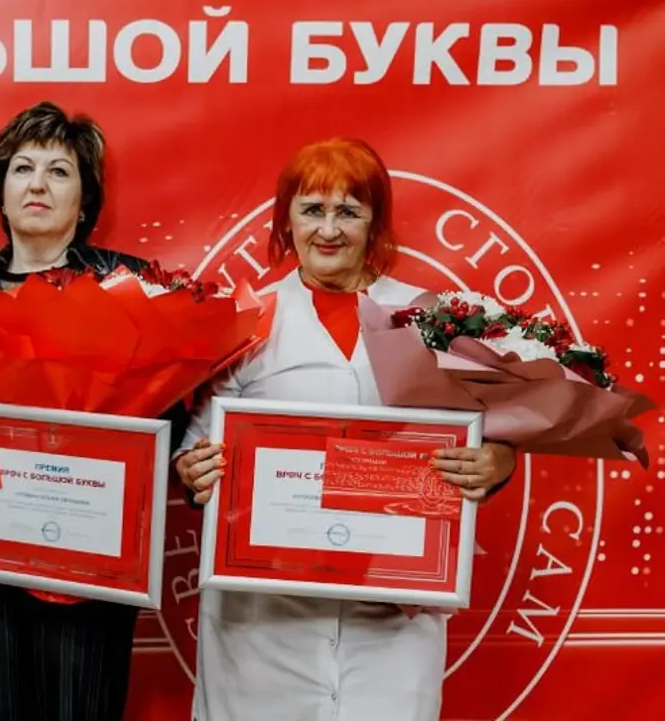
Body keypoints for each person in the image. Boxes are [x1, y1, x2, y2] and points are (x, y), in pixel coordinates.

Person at [175, 137, 516, 721]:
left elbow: (493, 427)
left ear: (374, 222)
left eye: (348, 212)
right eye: (312, 210)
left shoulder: (431, 318)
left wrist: (498, 461)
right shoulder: (242, 318)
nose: (328, 230)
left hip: (389, 613)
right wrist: (192, 468)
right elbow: (194, 448)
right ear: (286, 219)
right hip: (265, 617)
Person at [0, 100, 186, 721]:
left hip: (89, 562)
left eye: (59, 171)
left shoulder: (127, 284)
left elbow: (165, 421)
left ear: (86, 199)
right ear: (1, 190)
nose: (37, 184)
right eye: (23, 168)